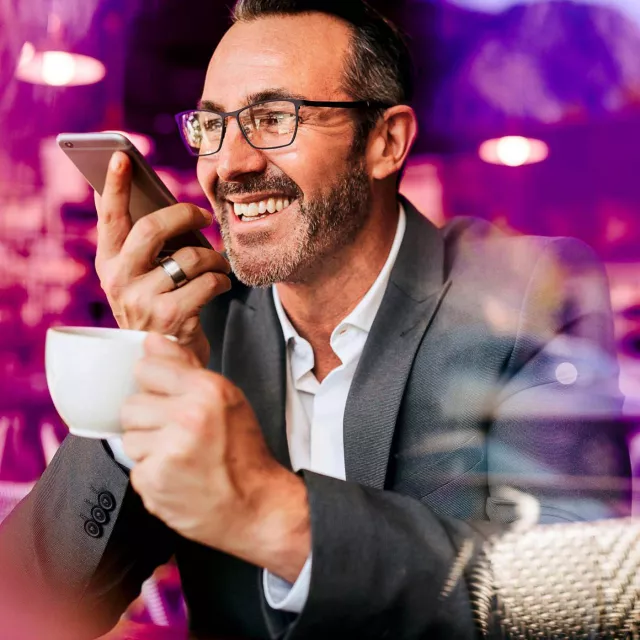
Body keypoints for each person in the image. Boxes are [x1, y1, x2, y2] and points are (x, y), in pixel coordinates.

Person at [0, 1, 631, 639]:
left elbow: (576, 610)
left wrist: (278, 516)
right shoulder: (198, 326)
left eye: (274, 118)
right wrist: (138, 369)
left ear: (386, 142)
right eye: (212, 126)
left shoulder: (524, 296)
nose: (230, 165)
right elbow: (26, 605)